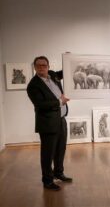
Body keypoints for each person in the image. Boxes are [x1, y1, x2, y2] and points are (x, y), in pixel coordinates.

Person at [27, 56, 72, 191]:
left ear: (48, 66)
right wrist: (59, 102)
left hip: (61, 119)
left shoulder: (52, 75)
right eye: (39, 66)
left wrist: (70, 59)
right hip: (47, 123)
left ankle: (58, 173)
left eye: (44, 65)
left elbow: (66, 72)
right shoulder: (33, 85)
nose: (42, 68)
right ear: (34, 67)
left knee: (60, 149)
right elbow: (40, 104)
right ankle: (47, 180)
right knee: (48, 153)